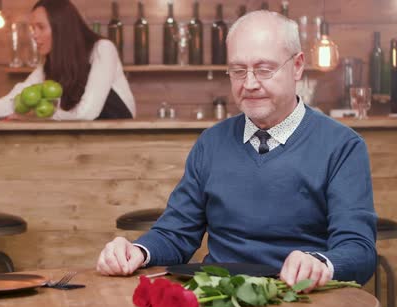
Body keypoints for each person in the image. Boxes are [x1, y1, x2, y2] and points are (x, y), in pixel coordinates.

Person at [96, 10, 377, 290]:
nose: (250, 84)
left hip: (302, 299)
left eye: (264, 69)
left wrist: (320, 263)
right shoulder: (211, 143)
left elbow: (359, 251)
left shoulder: (342, 146)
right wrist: (138, 251)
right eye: (238, 71)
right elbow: (175, 234)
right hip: (218, 302)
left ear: (298, 66)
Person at [0, 0, 135, 121]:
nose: (33, 34)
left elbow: (88, 113)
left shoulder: (102, 50)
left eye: (40, 27)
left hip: (123, 144)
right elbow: (12, 101)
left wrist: (37, 118)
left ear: (62, 30)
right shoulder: (49, 65)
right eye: (32, 28)